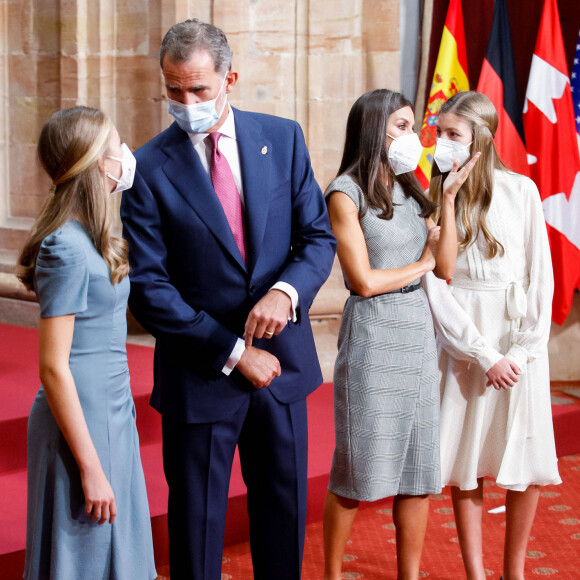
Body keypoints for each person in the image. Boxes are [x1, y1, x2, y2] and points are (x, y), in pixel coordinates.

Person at [119, 19, 336, 580]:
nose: (185, 102)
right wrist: (235, 351)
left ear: (230, 78)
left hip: (284, 368)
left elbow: (316, 237)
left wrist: (285, 293)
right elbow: (149, 286)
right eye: (173, 90)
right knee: (197, 534)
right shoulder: (147, 167)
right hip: (201, 374)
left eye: (199, 89)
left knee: (283, 523)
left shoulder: (283, 137)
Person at [322, 89, 479, 580]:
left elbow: (446, 267)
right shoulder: (345, 192)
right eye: (404, 127)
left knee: (417, 475)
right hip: (372, 336)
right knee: (357, 471)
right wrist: (422, 263)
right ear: (375, 130)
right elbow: (363, 281)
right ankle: (330, 573)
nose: (415, 137)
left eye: (413, 126)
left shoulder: (415, 188)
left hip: (415, 336)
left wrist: (448, 199)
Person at [423, 91, 561, 580]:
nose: (441, 143)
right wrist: (484, 354)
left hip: (517, 341)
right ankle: (476, 572)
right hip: (466, 344)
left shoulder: (521, 190)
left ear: (480, 138)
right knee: (468, 459)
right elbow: (435, 286)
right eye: (438, 133)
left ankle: (515, 570)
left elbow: (539, 278)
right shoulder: (438, 196)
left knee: (524, 456)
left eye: (452, 134)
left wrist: (521, 351)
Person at [18, 106, 157, 579]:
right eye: (118, 144)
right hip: (80, 418)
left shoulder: (87, 239)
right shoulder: (66, 246)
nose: (127, 154)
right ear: (98, 161)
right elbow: (53, 367)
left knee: (119, 546)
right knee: (86, 554)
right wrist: (90, 466)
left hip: (112, 406)